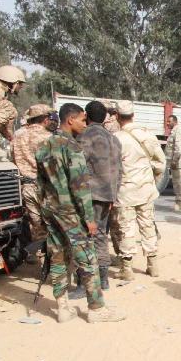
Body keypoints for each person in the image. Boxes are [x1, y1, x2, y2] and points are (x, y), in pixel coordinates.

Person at [34, 103, 125, 323]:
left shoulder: (44, 146)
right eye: (83, 120)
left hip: (51, 209)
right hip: (71, 212)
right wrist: (89, 219)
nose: (85, 124)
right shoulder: (72, 148)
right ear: (70, 120)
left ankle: (62, 307)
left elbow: (40, 184)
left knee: (57, 256)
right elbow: (80, 187)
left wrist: (45, 208)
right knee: (88, 258)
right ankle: (96, 308)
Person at [73, 100, 123, 293]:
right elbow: (120, 170)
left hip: (90, 195)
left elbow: (78, 167)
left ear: (86, 115)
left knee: (83, 238)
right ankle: (103, 280)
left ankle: (84, 283)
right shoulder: (114, 139)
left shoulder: (85, 136)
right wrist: (113, 195)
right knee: (101, 235)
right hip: (107, 195)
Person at [113, 100, 166, 280]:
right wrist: (151, 177)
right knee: (147, 225)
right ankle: (153, 265)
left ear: (117, 117)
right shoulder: (147, 135)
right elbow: (160, 162)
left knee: (125, 228)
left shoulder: (116, 138)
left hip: (124, 191)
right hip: (145, 189)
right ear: (133, 115)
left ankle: (126, 269)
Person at [10, 104, 54, 262]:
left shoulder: (17, 135)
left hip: (26, 186)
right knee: (51, 224)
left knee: (36, 224)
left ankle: (40, 258)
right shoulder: (48, 137)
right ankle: (53, 260)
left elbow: (11, 158)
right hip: (45, 187)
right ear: (45, 119)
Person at [165, 114, 181, 211]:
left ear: (174, 122)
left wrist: (174, 161)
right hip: (176, 162)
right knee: (178, 182)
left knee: (179, 183)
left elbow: (178, 149)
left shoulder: (177, 132)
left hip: (178, 163)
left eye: (169, 122)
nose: (167, 123)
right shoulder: (174, 132)